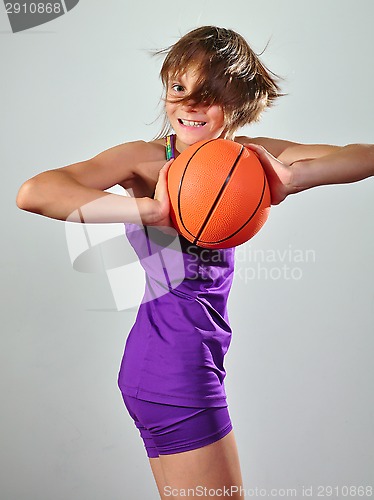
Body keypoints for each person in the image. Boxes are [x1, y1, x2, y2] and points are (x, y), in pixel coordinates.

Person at [16, 26, 373, 499]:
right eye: (179, 88)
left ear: (240, 102)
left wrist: (292, 176)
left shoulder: (250, 159)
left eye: (209, 94)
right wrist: (149, 210)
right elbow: (35, 192)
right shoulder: (145, 162)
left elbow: (363, 157)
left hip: (178, 362)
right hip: (175, 368)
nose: (189, 104)